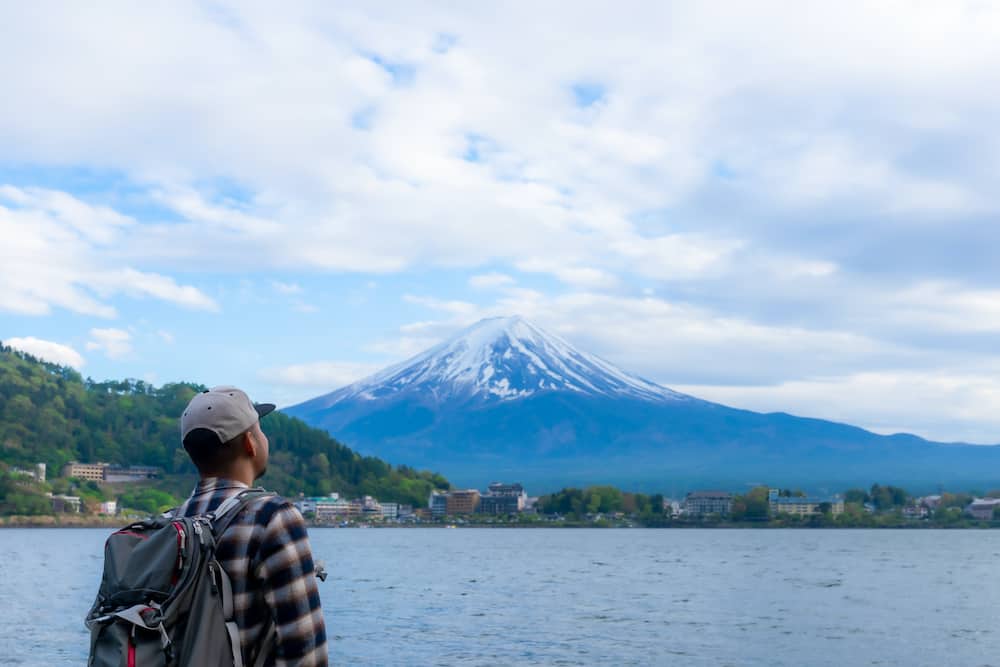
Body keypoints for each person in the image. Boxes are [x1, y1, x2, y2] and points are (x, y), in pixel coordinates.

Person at [177, 385, 328, 666]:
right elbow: (307, 654)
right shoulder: (272, 517)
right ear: (250, 442)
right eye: (260, 430)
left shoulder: (170, 525)